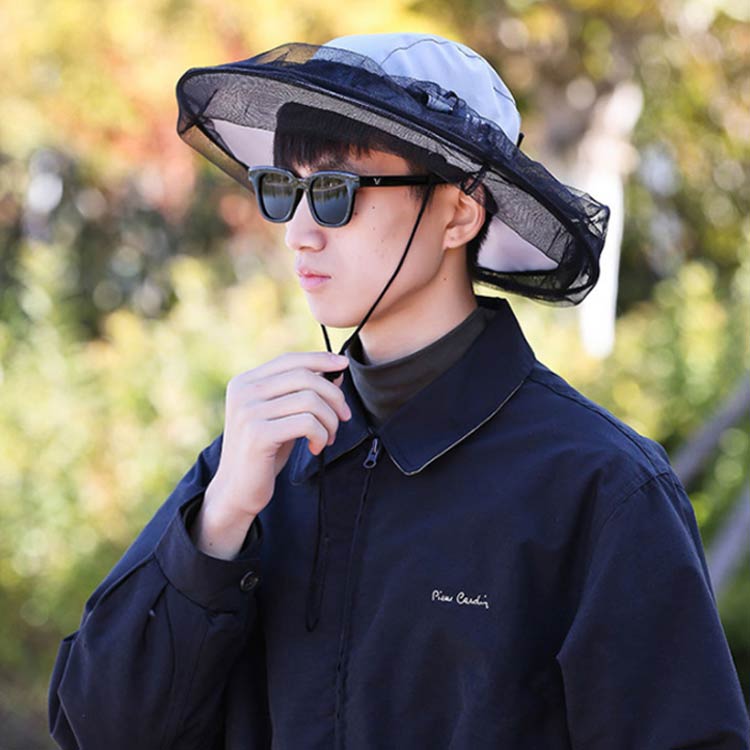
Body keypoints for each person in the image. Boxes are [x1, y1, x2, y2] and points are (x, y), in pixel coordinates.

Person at [48, 32, 750, 749]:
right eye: (284, 190)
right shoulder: (260, 458)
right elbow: (96, 729)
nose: (298, 234)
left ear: (459, 213)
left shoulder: (597, 486)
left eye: (335, 193)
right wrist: (219, 522)